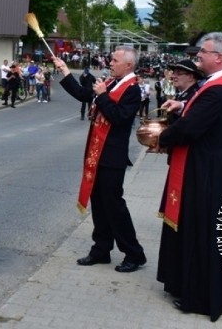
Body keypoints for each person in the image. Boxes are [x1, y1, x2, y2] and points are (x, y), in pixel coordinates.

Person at [155, 32, 222, 321]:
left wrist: (162, 138)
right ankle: (191, 285)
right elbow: (200, 115)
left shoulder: (219, 91)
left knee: (202, 228)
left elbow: (190, 129)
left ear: (218, 57)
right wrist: (182, 107)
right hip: (214, 165)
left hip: (208, 171)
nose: (199, 57)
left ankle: (200, 295)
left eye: (203, 52)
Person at [53, 46, 147, 274]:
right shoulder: (112, 82)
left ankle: (134, 253)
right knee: (100, 205)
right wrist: (65, 71)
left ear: (128, 65)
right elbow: (83, 94)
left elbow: (119, 118)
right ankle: (101, 249)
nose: (110, 62)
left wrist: (103, 95)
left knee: (114, 206)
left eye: (115, 60)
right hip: (97, 154)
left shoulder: (133, 89)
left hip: (113, 157)